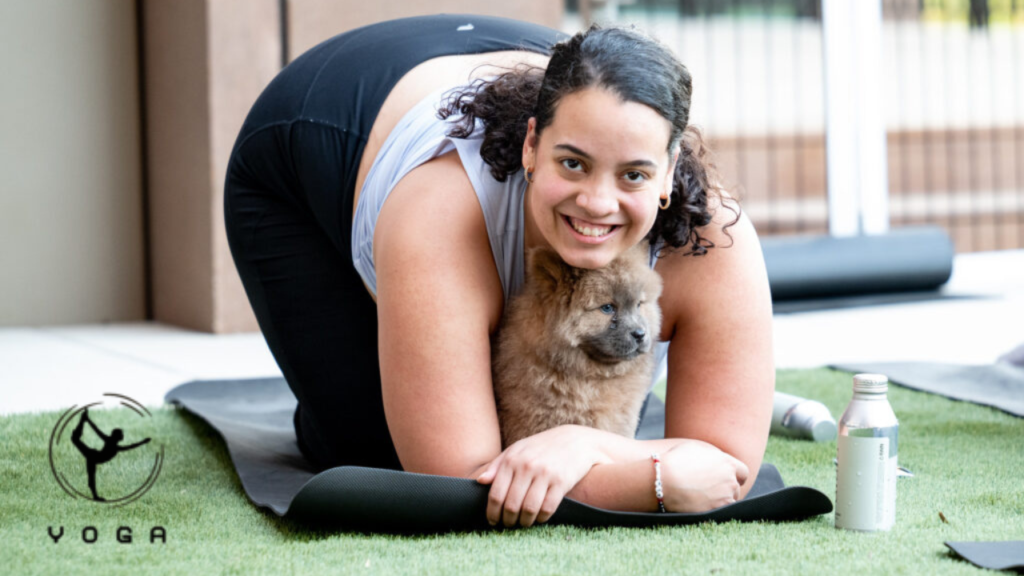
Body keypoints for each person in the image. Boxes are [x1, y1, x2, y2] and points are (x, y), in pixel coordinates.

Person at [224, 14, 774, 529]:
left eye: (633, 175)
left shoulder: (712, 240)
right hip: (316, 130)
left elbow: (726, 471)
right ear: (532, 145)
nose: (597, 203)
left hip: (504, 60)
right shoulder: (441, 214)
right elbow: (459, 480)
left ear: (668, 172)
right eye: (573, 163)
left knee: (590, 400)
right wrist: (651, 479)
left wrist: (583, 445)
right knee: (369, 451)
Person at [70, 408, 152, 501]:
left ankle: (83, 419)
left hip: (93, 456)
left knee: (75, 439)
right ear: (117, 436)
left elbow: (130, 446)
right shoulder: (111, 443)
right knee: (75, 439)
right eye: (121, 434)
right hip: (93, 456)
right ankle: (83, 419)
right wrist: (88, 420)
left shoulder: (113, 445)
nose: (122, 435)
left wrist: (143, 442)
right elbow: (97, 430)